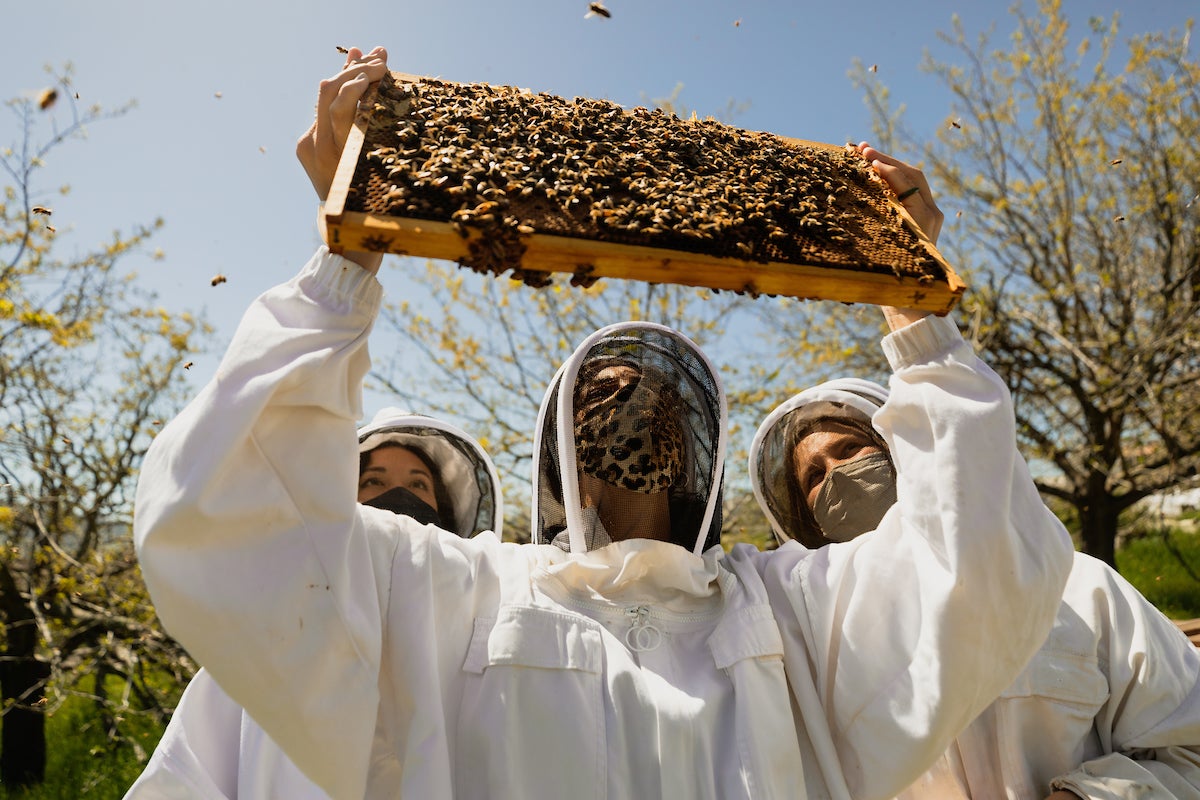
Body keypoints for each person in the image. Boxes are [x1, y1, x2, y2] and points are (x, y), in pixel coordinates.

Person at [132, 46, 1076, 799]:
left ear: (696, 445)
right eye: (599, 392)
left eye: (651, 394)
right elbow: (227, 520)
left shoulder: (796, 607)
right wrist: (346, 263)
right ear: (557, 456)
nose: (628, 404)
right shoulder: (443, 591)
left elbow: (985, 571)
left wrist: (918, 314)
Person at [750, 378, 1200, 799]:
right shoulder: (817, 653)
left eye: (850, 449)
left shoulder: (1080, 586)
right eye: (814, 476)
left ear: (899, 453)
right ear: (807, 520)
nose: (836, 474)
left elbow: (1187, 750)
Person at [124, 409, 503, 799]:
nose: (399, 497)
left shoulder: (492, 652)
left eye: (418, 484)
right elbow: (182, 782)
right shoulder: (266, 644)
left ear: (445, 510)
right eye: (374, 480)